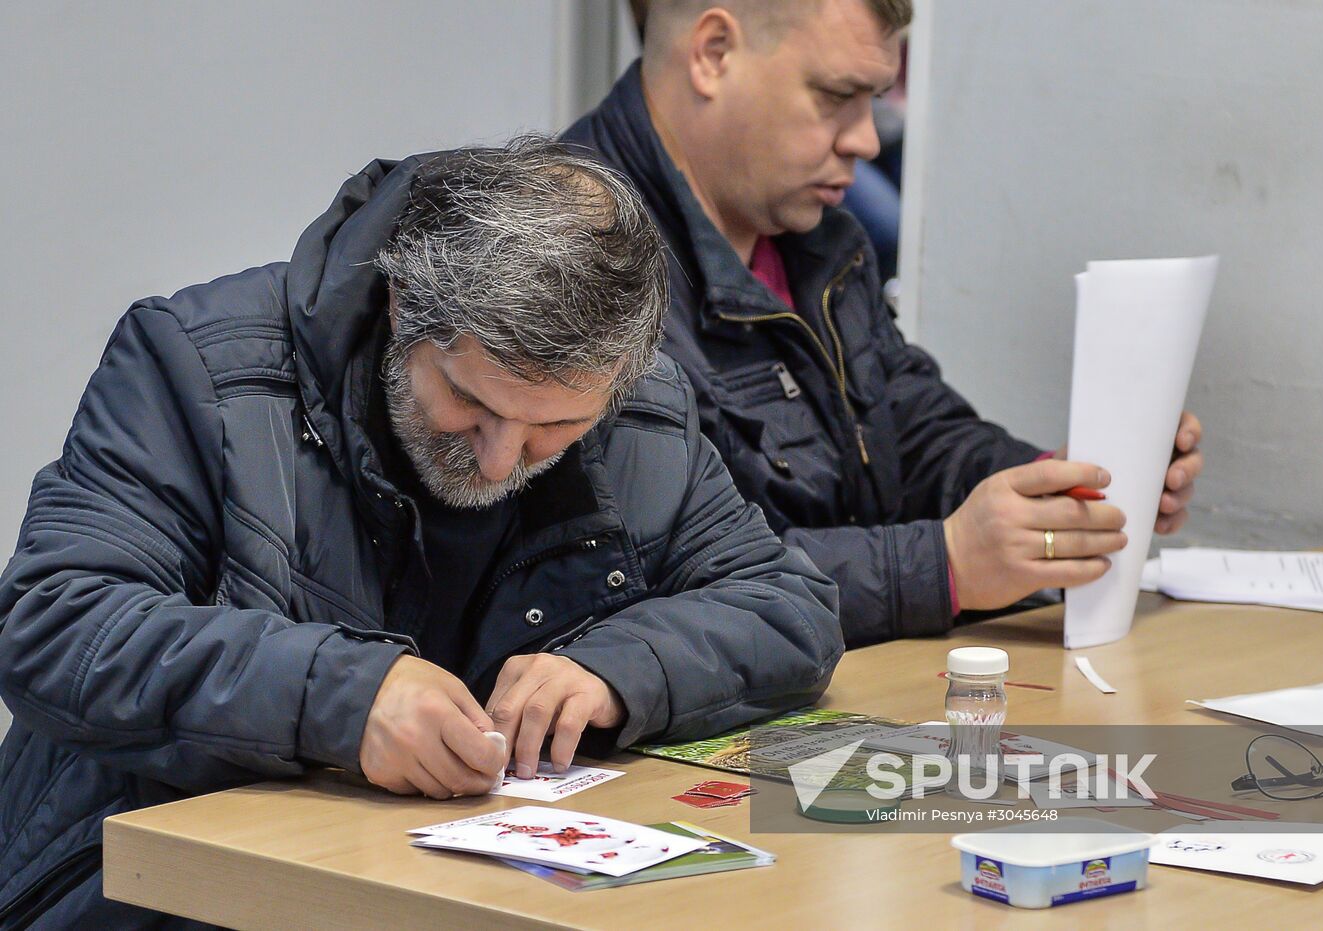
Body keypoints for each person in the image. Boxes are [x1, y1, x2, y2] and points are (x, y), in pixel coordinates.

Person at [0, 138, 840, 926]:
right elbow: (55, 621)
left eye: (556, 427)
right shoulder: (198, 367)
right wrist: (342, 696)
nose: (503, 456)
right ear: (404, 305)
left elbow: (786, 605)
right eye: (471, 402)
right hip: (160, 897)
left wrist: (616, 672)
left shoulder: (638, 411)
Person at [562, 0, 1203, 645]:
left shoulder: (821, 243)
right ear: (713, 54)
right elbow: (642, 582)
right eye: (836, 95)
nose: (866, 140)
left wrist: (1057, 492)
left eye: (873, 99)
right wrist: (942, 566)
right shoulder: (577, 263)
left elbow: (906, 425)